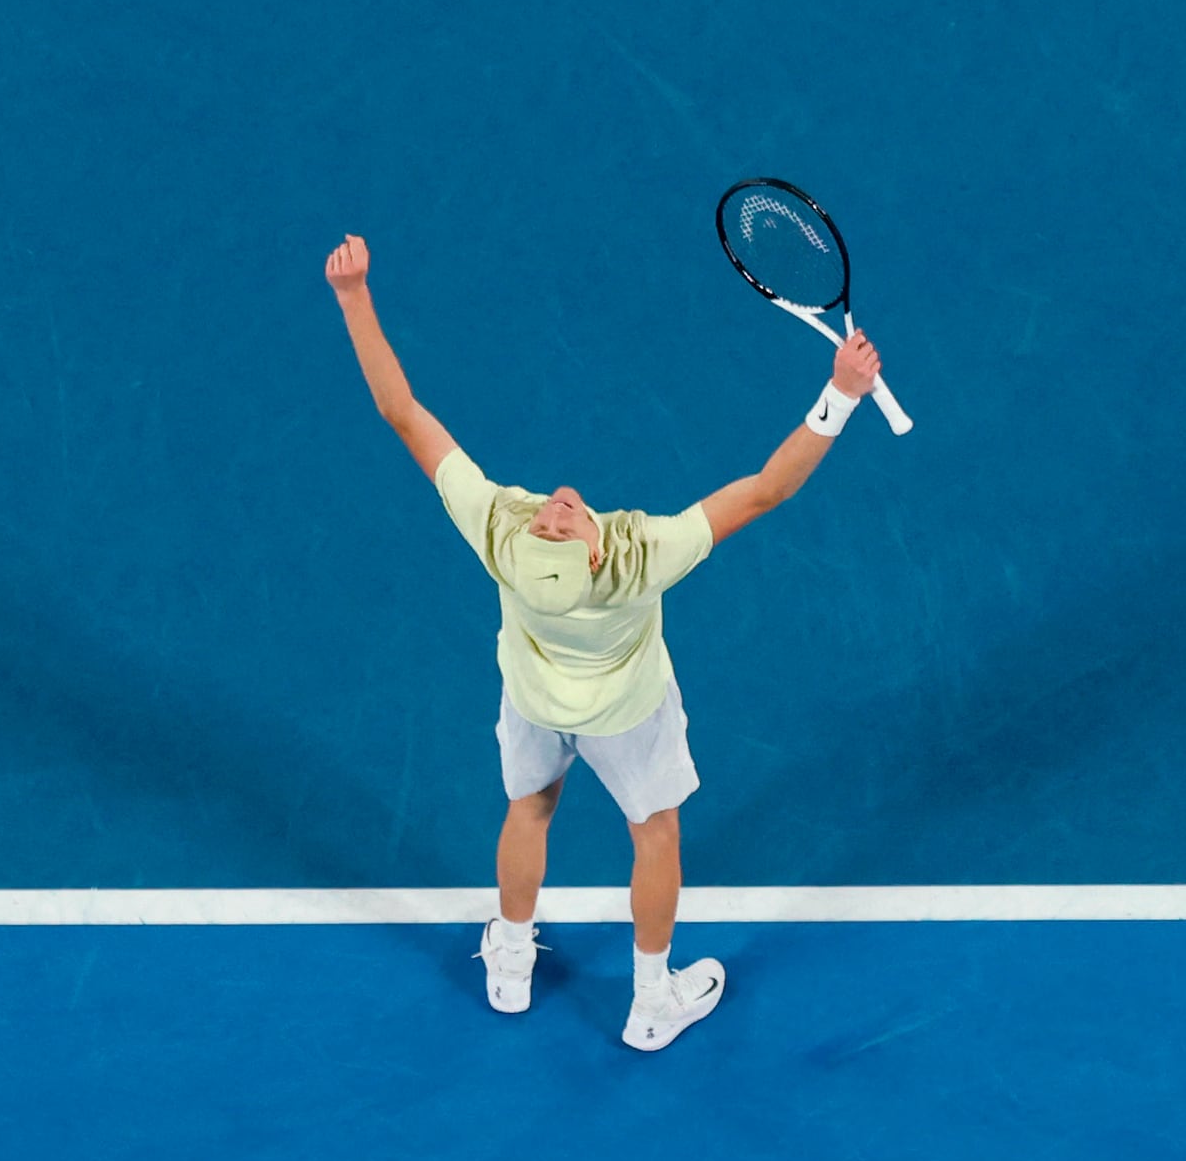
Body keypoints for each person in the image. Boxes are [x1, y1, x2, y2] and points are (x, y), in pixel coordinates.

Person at [321, 233, 881, 1050]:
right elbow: (766, 491)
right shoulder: (644, 556)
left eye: (549, 519)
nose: (555, 505)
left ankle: (510, 961)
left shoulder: (496, 537)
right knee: (655, 834)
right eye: (562, 521)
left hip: (537, 701)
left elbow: (401, 412)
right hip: (626, 713)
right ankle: (652, 1001)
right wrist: (841, 395)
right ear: (593, 553)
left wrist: (354, 298)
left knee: (529, 807)